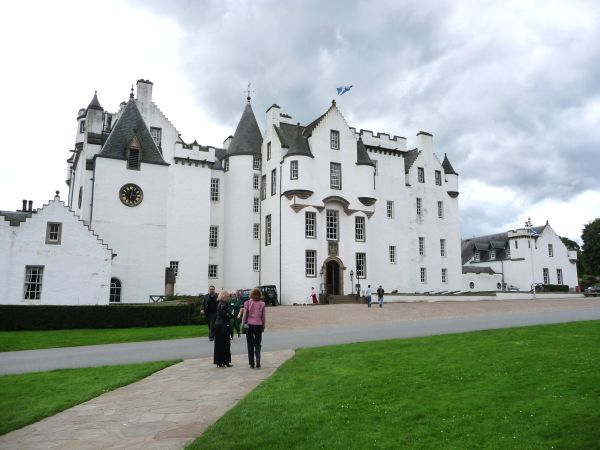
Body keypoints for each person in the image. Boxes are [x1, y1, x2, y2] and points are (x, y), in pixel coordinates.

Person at [241, 287, 266, 369]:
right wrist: (263, 326)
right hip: (258, 325)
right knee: (258, 343)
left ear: (251, 295)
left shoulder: (247, 303)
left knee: (250, 344)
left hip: (249, 325)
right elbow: (263, 317)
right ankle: (258, 360)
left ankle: (251, 363)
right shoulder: (262, 304)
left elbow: (245, 315)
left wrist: (243, 324)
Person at [213, 290, 233, 367]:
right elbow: (226, 315)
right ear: (223, 296)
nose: (228, 298)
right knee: (225, 344)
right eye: (227, 296)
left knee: (219, 344)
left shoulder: (220, 303)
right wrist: (230, 315)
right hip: (223, 326)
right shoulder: (223, 304)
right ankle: (225, 361)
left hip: (219, 326)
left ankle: (220, 361)